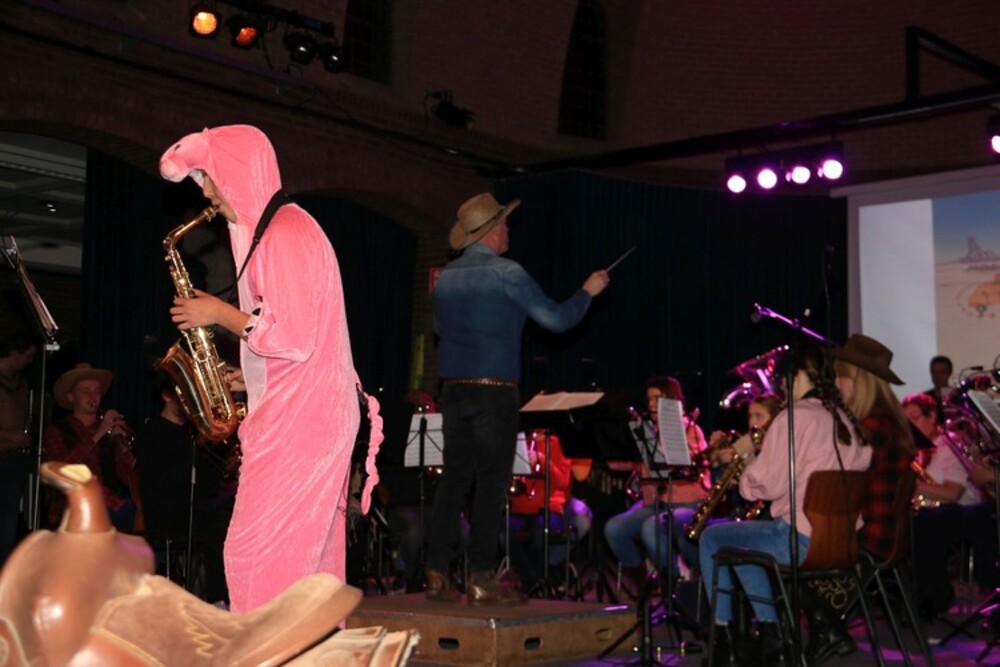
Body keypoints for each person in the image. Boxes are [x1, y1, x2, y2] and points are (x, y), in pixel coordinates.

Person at [160, 125, 382, 613]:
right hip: (310, 413)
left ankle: (270, 646)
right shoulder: (286, 229)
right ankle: (310, 647)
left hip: (302, 424)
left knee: (254, 554)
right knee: (308, 566)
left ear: (240, 173)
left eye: (211, 178)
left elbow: (295, 337)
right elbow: (303, 339)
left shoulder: (284, 234)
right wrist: (251, 376)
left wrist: (218, 313)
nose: (208, 194)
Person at [425, 192, 609, 605]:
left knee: (454, 481)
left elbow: (438, 329)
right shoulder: (508, 273)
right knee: (491, 485)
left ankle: (437, 571)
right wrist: (588, 291)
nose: (508, 230)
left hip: (453, 390)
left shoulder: (446, 277)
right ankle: (481, 577)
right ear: (491, 230)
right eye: (505, 223)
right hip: (494, 392)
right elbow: (556, 320)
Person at [698, 345, 872, 665]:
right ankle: (772, 635)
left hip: (799, 541)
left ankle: (725, 644)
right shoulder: (846, 420)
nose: (781, 388)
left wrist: (747, 459)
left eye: (782, 381)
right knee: (743, 543)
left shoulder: (794, 417)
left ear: (796, 376)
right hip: (843, 541)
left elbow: (767, 485)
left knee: (712, 538)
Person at [794, 334, 915, 664]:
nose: (835, 384)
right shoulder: (890, 421)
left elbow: (835, 483)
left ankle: (799, 635)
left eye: (840, 377)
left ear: (860, 382)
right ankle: (822, 628)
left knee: (782, 543)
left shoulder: (870, 428)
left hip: (864, 539)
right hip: (885, 535)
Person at [132, 373, 235, 604]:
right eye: (183, 395)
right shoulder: (151, 432)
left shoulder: (190, 433)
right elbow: (163, 484)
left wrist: (218, 462)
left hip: (193, 510)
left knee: (234, 513)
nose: (189, 402)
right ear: (166, 396)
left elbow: (207, 487)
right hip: (166, 514)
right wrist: (196, 448)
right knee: (220, 526)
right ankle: (217, 599)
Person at [604, 375, 708, 589]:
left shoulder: (690, 429)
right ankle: (644, 581)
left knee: (651, 528)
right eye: (649, 399)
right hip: (654, 503)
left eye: (657, 398)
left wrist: (668, 445)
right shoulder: (646, 432)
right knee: (614, 529)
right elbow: (620, 463)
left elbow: (698, 464)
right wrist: (609, 445)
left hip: (687, 502)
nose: (651, 404)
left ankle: (675, 581)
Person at [902, 392, 999, 619]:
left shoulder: (947, 444)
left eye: (914, 418)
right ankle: (912, 594)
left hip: (961, 509)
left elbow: (954, 494)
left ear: (932, 416)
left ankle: (933, 596)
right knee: (913, 521)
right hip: (941, 510)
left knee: (924, 523)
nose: (910, 426)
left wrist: (914, 486)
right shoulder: (920, 450)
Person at [671, 393, 783, 581]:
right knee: (687, 540)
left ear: (773, 421)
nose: (753, 422)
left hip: (764, 519)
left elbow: (765, 489)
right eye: (750, 416)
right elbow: (724, 496)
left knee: (707, 539)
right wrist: (717, 465)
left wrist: (746, 461)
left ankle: (721, 583)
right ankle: (713, 581)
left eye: (759, 416)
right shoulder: (747, 446)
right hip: (740, 515)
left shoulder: (774, 449)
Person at [42, 363, 138, 532]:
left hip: (108, 504)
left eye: (97, 392)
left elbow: (127, 477)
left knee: (144, 514)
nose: (93, 397)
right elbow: (63, 470)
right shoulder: (56, 431)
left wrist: (122, 445)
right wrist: (98, 434)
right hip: (70, 505)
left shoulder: (107, 432)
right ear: (71, 396)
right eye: (86, 391)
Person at [505, 429, 574, 594]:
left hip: (549, 507)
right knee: (501, 532)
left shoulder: (557, 443)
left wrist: (542, 460)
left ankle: (533, 582)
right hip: (521, 508)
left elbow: (563, 482)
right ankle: (532, 580)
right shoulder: (520, 440)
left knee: (538, 535)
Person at [0, 332, 38, 567]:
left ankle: (5, 568)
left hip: (14, 458)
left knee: (9, 516)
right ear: (14, 353)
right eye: (28, 355)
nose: (30, 361)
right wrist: (9, 435)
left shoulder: (21, 383)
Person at [925, 355, 953, 422]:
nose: (937, 376)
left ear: (949, 373)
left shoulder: (957, 397)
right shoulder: (925, 399)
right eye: (934, 372)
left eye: (942, 372)